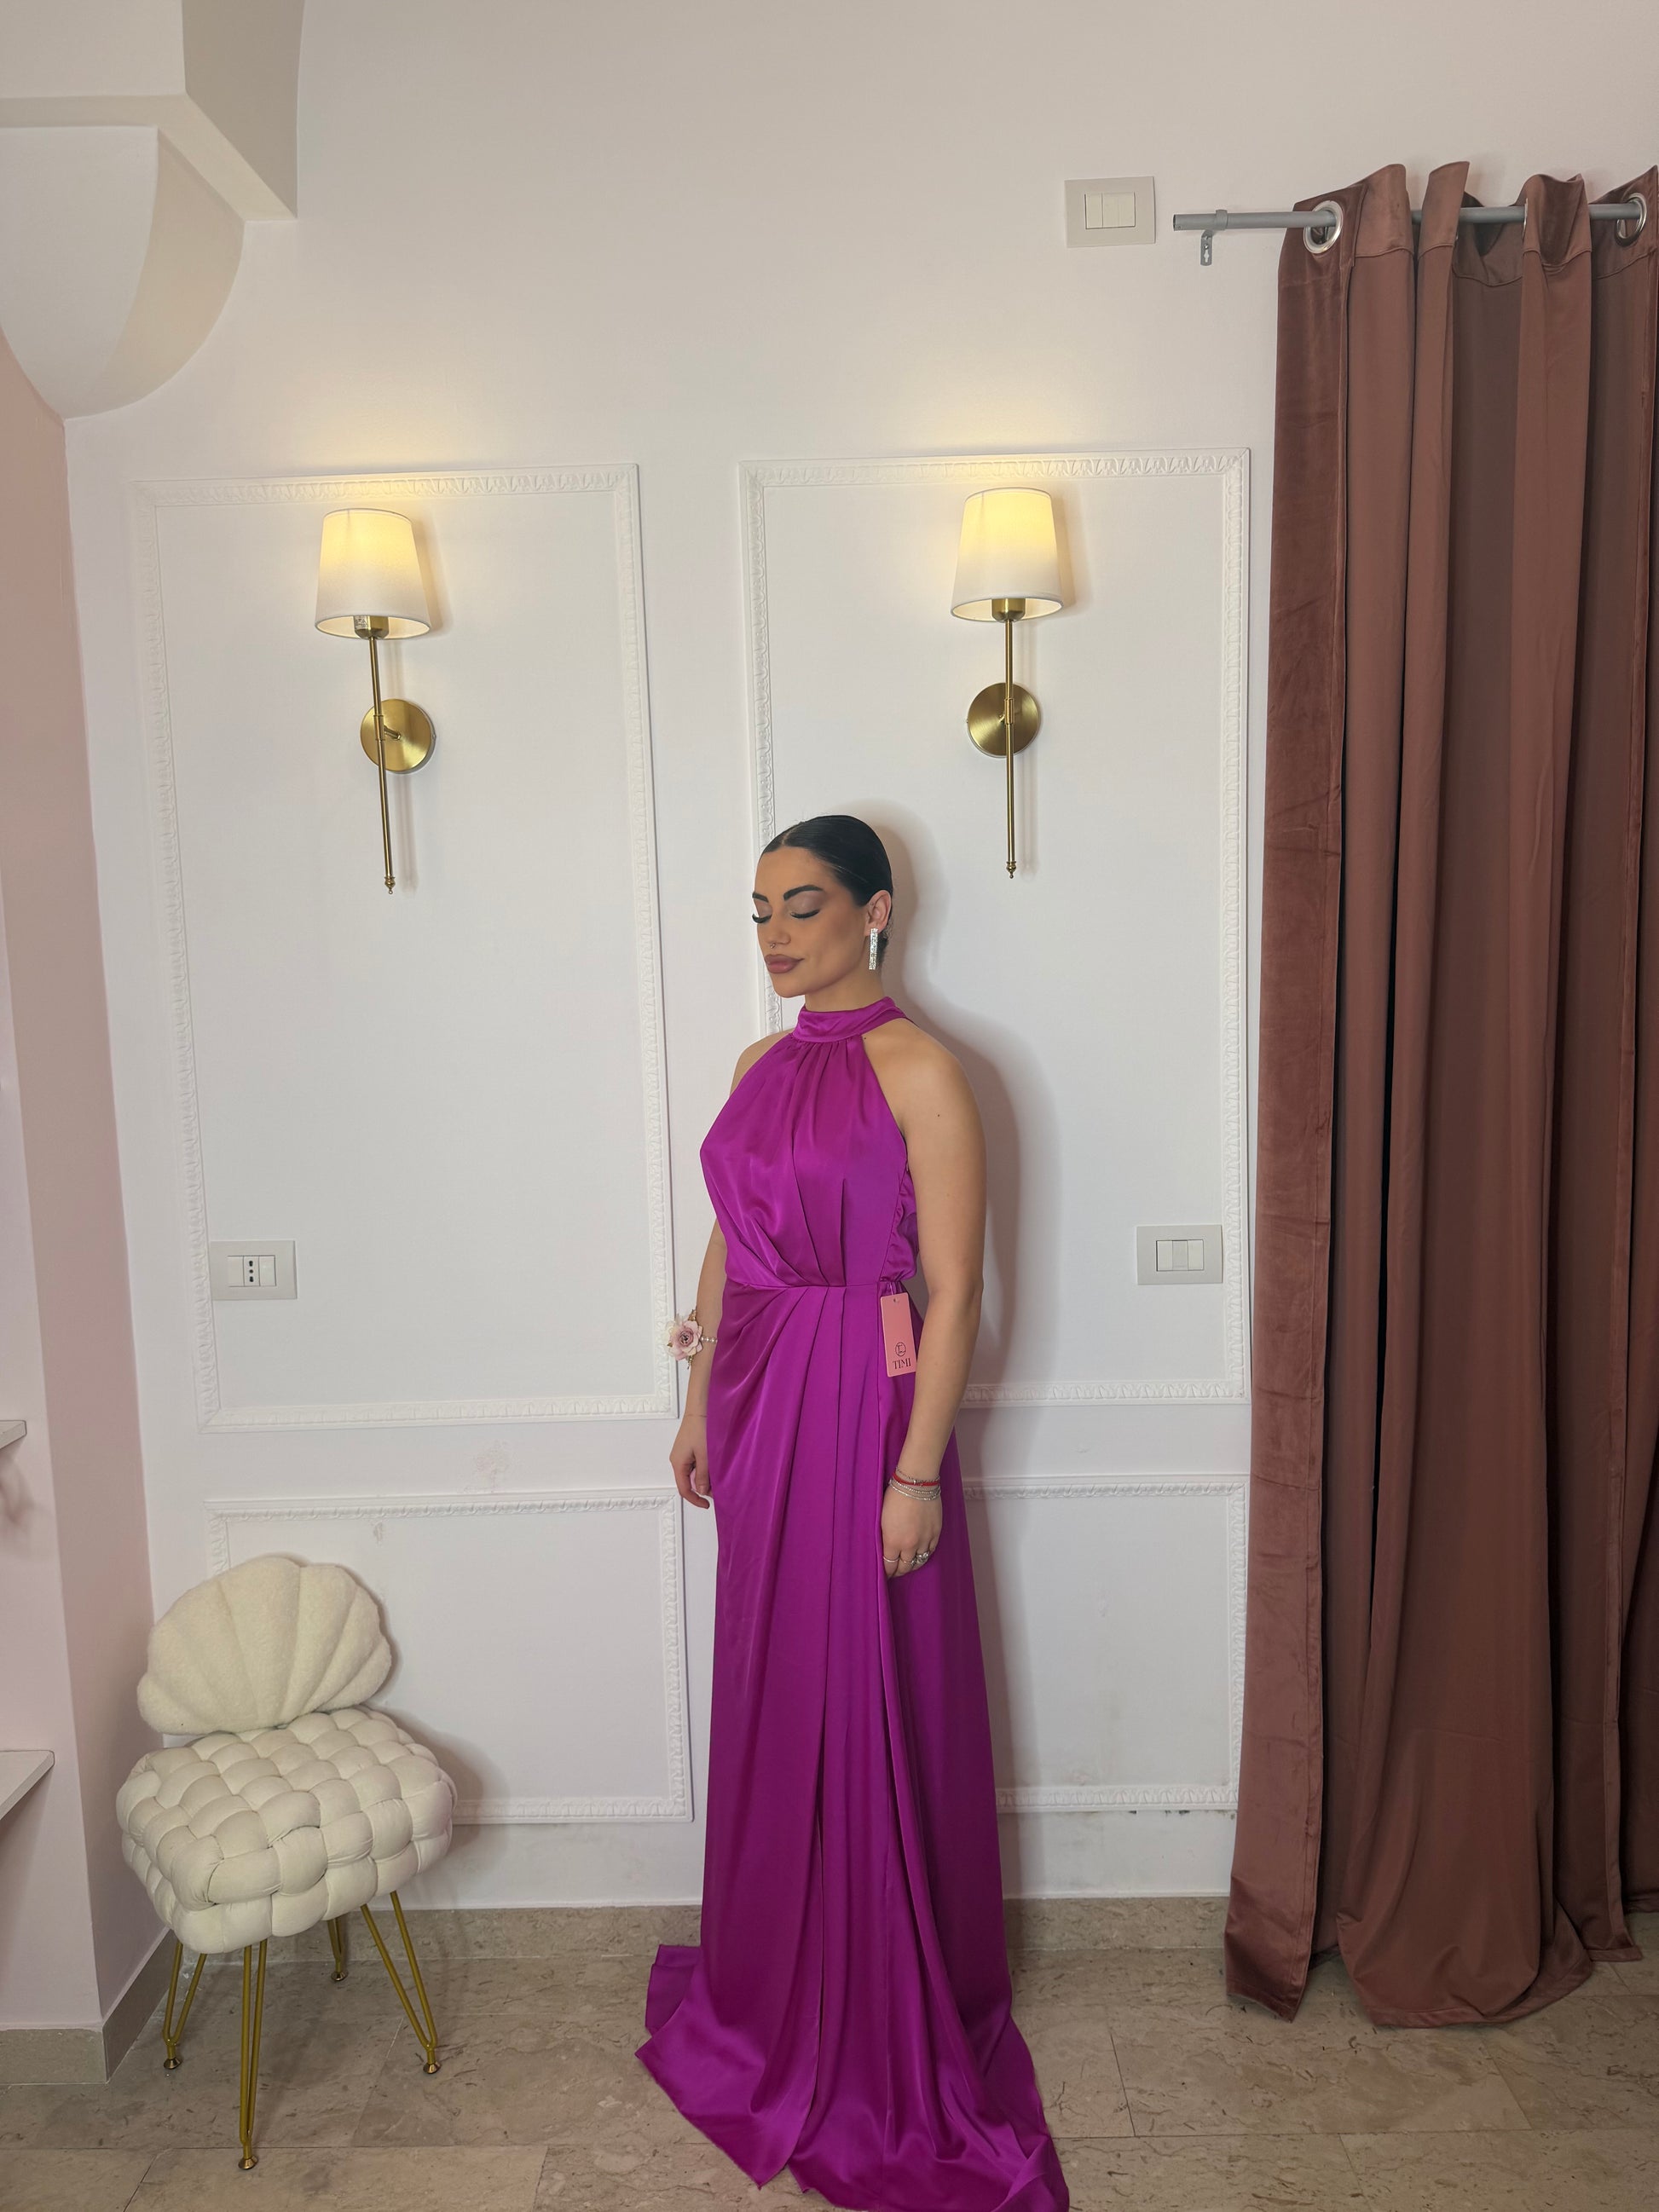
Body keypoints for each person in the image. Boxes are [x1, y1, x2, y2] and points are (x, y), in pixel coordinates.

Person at [636, 815, 1069, 2212]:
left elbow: (957, 1291)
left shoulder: (922, 1070)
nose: (774, 933)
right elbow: (729, 1238)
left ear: (874, 912)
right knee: (775, 1678)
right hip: (759, 1405)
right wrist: (698, 1402)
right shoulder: (756, 1066)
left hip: (864, 1409)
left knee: (865, 1680)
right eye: (759, 909)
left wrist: (915, 1473)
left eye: (803, 905)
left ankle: (873, 1986)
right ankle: (773, 1976)